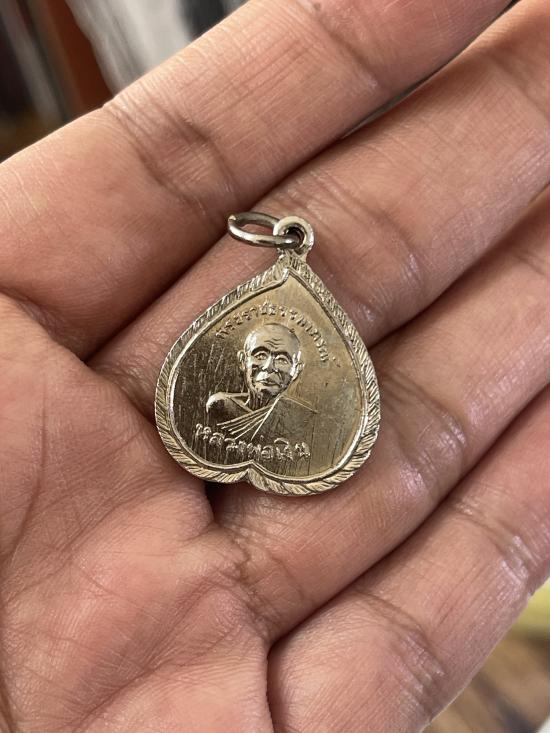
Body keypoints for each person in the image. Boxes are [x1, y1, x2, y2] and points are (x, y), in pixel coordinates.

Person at [0, 1, 549, 731]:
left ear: (295, 373)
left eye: (278, 362)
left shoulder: (310, 419)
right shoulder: (215, 408)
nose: (263, 372)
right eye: (256, 356)